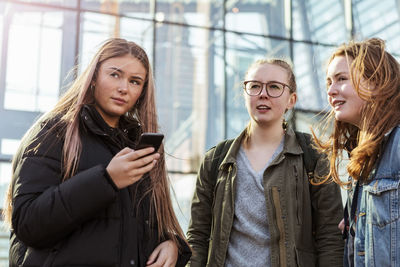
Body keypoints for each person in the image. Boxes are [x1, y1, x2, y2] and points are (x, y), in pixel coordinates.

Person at [4, 38, 191, 266]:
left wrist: (172, 245)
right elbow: (28, 225)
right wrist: (107, 180)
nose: (123, 87)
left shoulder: (138, 147)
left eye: (135, 81)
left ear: (142, 91)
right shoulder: (53, 132)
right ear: (93, 78)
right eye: (115, 75)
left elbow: (140, 227)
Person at [187, 58, 344, 266]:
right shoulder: (216, 160)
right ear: (245, 94)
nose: (263, 94)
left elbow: (330, 237)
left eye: (274, 87)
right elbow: (197, 237)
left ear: (291, 99)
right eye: (254, 86)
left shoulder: (313, 156)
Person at [314, 38, 400, 266]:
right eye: (328, 82)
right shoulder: (363, 158)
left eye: (341, 79)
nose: (331, 91)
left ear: (376, 82)